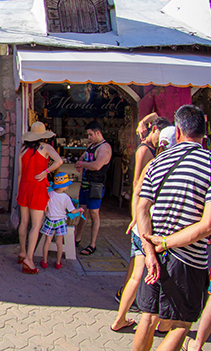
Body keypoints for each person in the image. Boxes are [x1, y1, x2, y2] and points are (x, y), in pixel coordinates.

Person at [133, 105, 211, 351]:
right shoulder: (209, 164)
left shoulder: (159, 162)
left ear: (178, 132)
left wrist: (149, 249)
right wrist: (165, 243)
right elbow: (206, 225)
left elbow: (142, 208)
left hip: (155, 253)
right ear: (204, 135)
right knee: (181, 323)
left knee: (147, 316)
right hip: (188, 258)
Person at [112, 117, 172, 333]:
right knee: (153, 276)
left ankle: (121, 318)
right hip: (152, 229)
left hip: (142, 227)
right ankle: (160, 322)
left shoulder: (155, 160)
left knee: (137, 274)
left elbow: (138, 188)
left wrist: (136, 218)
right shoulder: (152, 156)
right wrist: (137, 216)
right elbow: (137, 186)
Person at [16, 121, 63, 274]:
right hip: (37, 186)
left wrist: (18, 191)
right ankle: (29, 259)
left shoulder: (23, 150)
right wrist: (46, 171)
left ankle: (22, 253)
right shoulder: (46, 148)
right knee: (36, 225)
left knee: (24, 221)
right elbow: (59, 161)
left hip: (24, 186)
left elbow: (20, 174)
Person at [74, 121, 112, 256]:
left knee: (94, 214)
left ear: (98, 133)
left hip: (96, 185)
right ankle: (77, 238)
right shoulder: (91, 146)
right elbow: (84, 156)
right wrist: (80, 160)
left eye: (90, 134)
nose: (88, 137)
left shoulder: (104, 148)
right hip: (85, 184)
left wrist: (82, 163)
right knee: (82, 211)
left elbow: (97, 165)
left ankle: (92, 244)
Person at [39, 173, 83, 269]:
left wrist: (46, 213)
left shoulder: (49, 194)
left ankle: (45, 261)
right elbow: (72, 210)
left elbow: (45, 207)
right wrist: (79, 210)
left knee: (47, 241)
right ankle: (58, 262)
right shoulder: (66, 197)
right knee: (59, 242)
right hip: (61, 221)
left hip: (50, 219)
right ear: (64, 186)